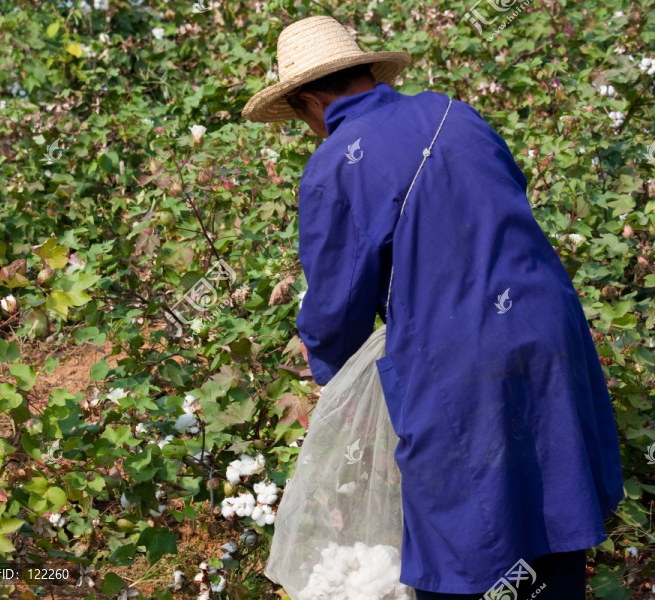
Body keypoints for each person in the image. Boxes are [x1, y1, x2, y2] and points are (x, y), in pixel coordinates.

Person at [242, 15, 624, 600]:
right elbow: (502, 200)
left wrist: (334, 379)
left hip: (459, 358)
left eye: (302, 119)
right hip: (550, 325)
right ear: (370, 74)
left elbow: (336, 306)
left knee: (466, 526)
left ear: (311, 102)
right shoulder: (455, 113)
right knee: (551, 487)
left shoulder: (333, 168)